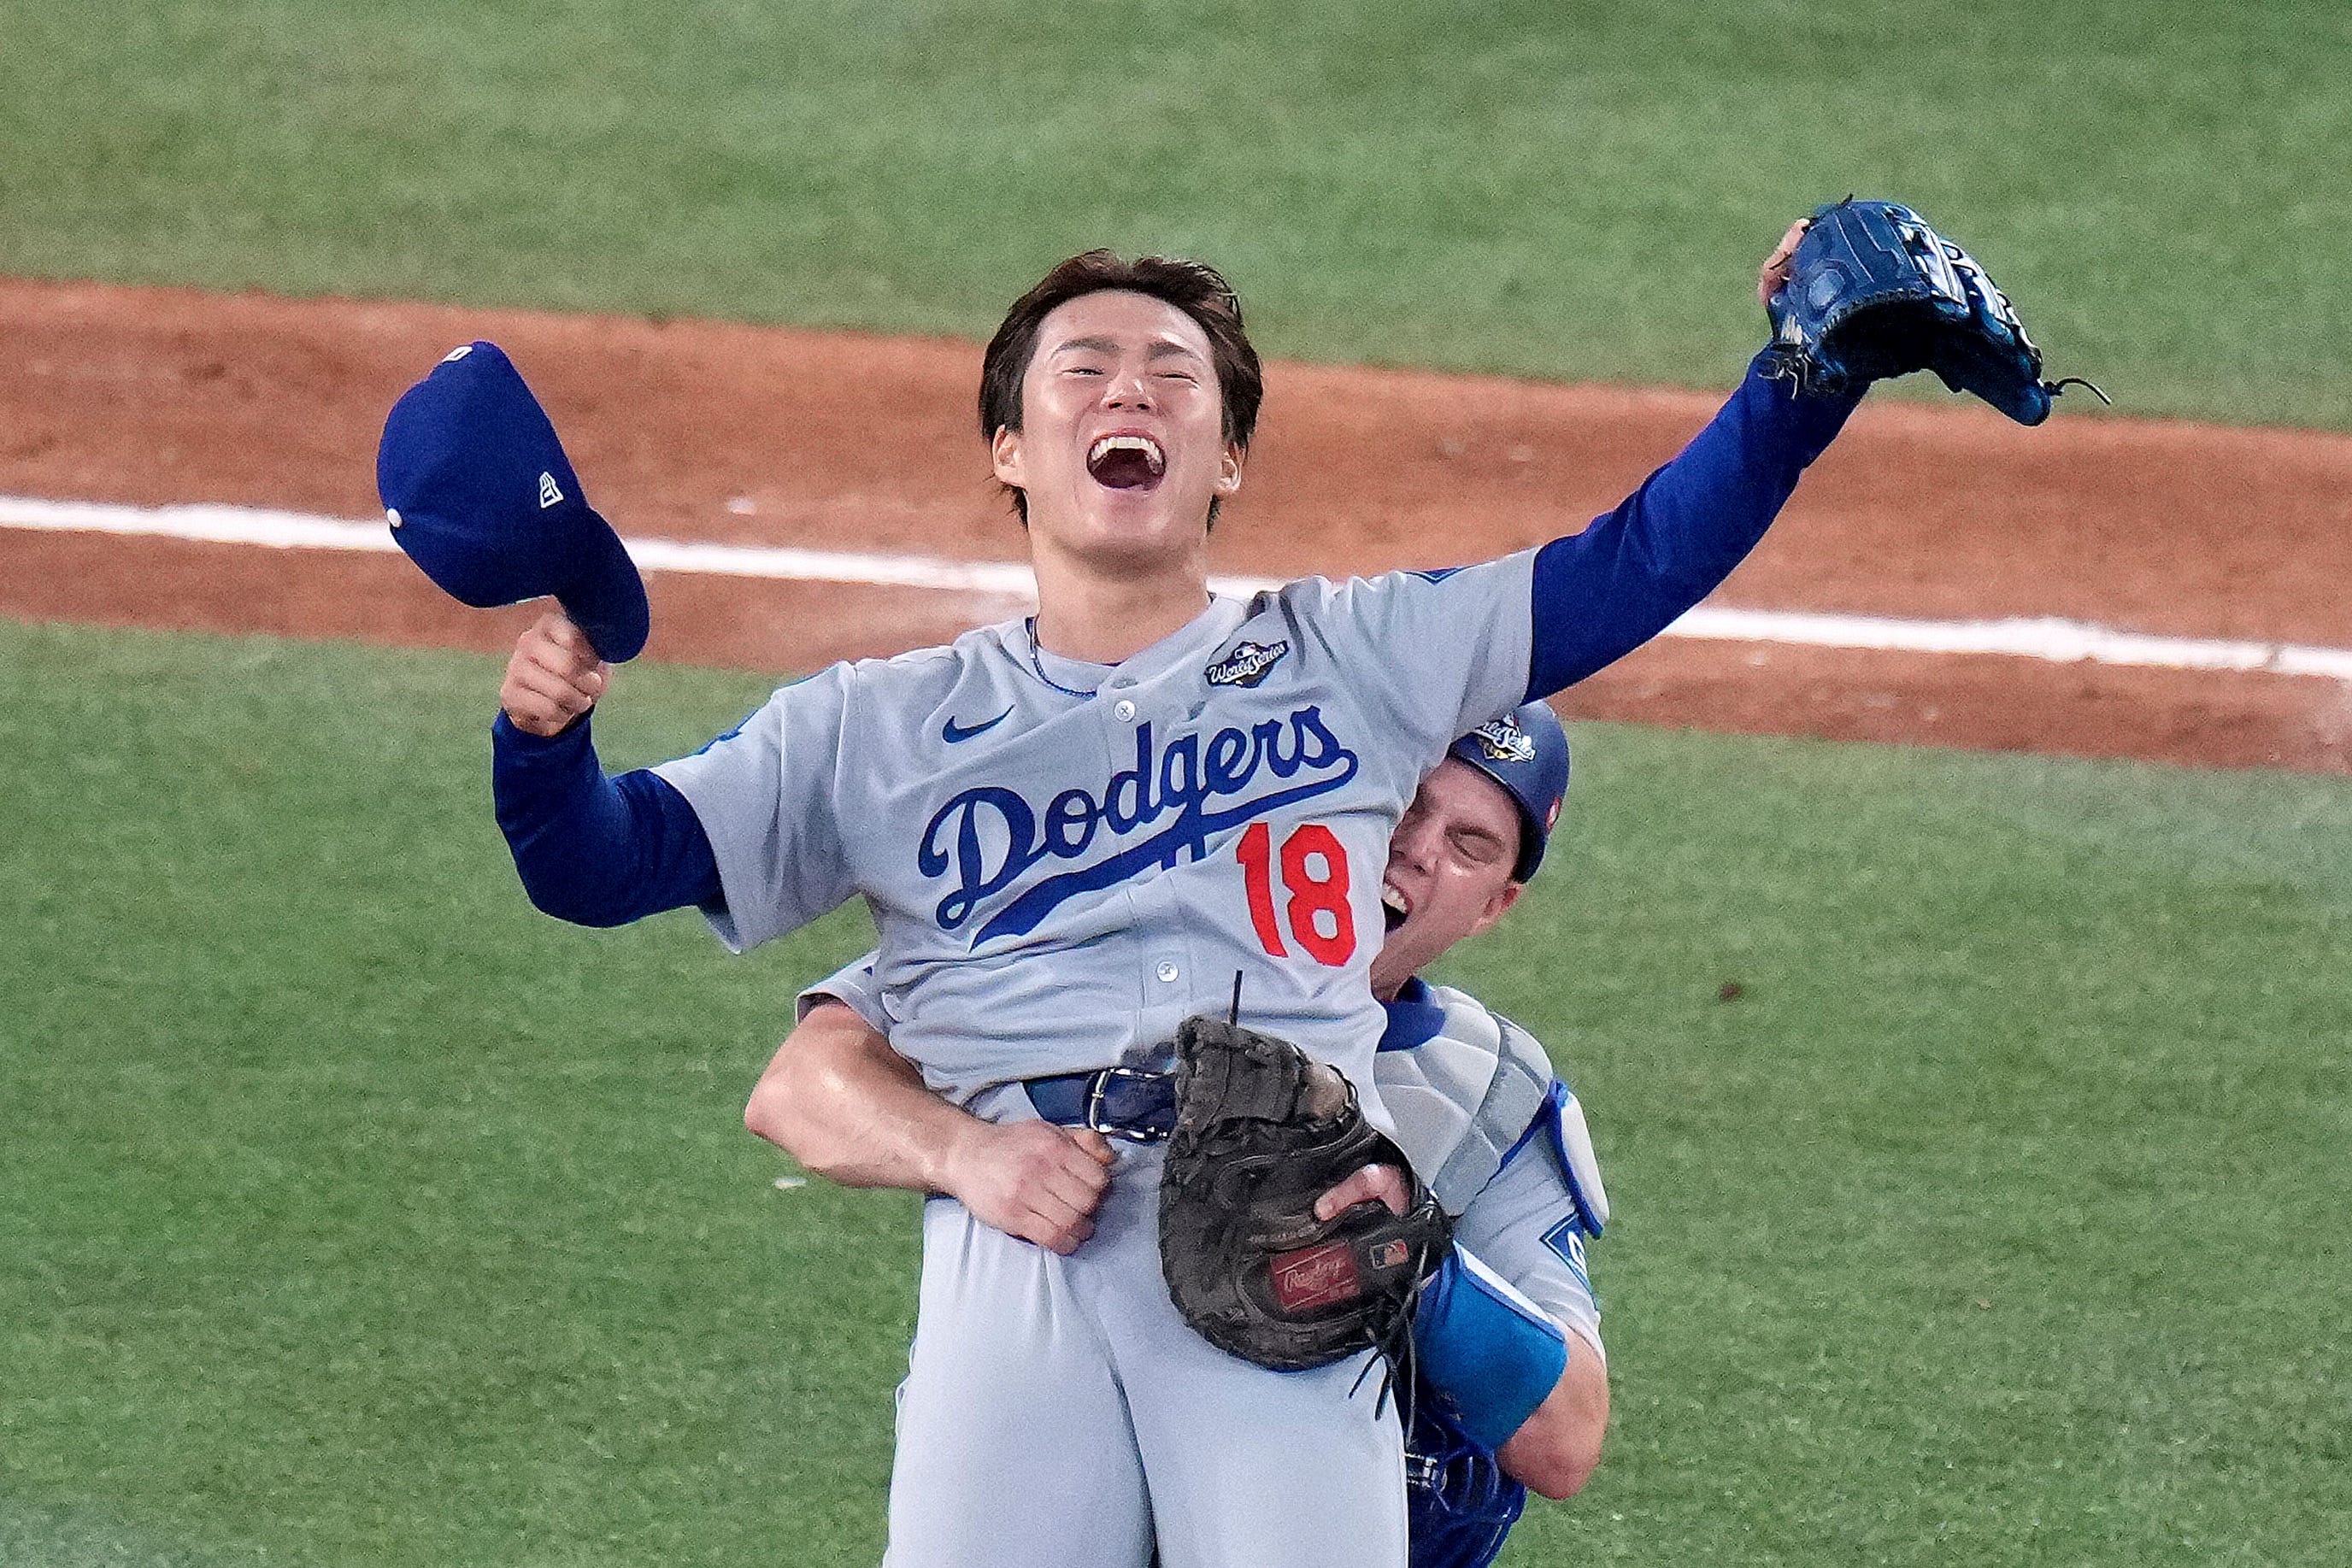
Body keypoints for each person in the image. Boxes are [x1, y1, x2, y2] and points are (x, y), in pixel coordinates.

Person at [488, 221, 1856, 1566]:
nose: (1129, 387)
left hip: (1295, 1240)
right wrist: (544, 746)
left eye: (1173, 372)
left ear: (1228, 458)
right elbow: (602, 865)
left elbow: (1637, 561)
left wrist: (1800, 383)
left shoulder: (1362, 654)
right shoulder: (871, 727)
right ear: (1012, 450)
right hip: (1019, 1246)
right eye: (1082, 367)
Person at [750, 703, 1608, 1568]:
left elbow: (1565, 1435)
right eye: (1409, 799)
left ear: (1493, 904)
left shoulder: (1485, 1086)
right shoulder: (1101, 927)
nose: (1416, 847)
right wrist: (964, 1151)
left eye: (1470, 844)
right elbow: (802, 1083)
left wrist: (1406, 1265)